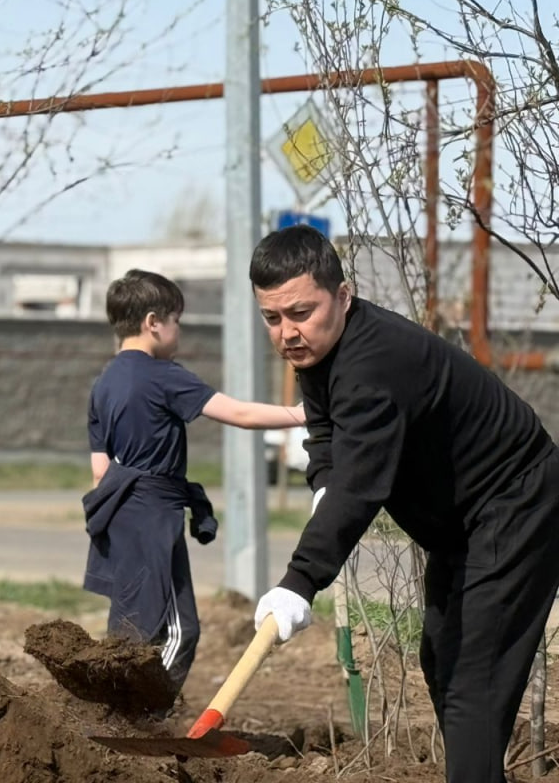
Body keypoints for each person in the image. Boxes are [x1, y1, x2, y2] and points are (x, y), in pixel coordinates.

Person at [249, 224, 559, 783]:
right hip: (463, 521)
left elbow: (363, 486)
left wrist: (300, 580)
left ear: (343, 296)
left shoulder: (374, 364)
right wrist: (324, 480)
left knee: (473, 680)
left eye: (301, 312)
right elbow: (324, 435)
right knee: (442, 661)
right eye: (273, 318)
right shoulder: (321, 352)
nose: (288, 333)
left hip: (516, 502)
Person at [83, 268, 305, 696]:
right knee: (175, 633)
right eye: (176, 321)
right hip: (153, 517)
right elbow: (239, 414)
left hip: (122, 515)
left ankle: (119, 711)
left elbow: (99, 469)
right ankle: (136, 715)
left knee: (133, 623)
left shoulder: (103, 382)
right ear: (153, 323)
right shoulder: (163, 375)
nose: (178, 331)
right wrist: (302, 414)